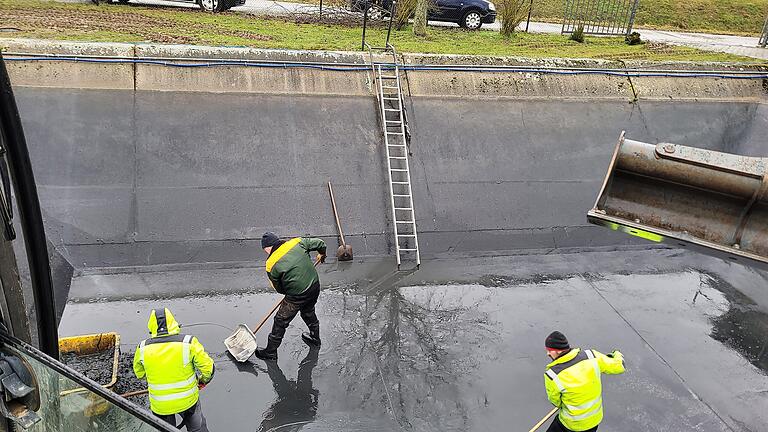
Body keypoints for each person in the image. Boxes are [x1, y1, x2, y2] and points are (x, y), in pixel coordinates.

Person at [133, 308, 215, 432]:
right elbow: (209, 369)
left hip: (160, 406)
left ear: (151, 326)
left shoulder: (142, 347)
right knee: (198, 429)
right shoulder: (188, 342)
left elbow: (139, 373)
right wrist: (202, 381)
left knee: (165, 429)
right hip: (188, 402)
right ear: (173, 322)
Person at [255, 232, 326, 361]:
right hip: (314, 286)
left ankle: (270, 352)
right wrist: (322, 254)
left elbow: (279, 288)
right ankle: (315, 338)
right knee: (308, 311)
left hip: (296, 295)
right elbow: (320, 243)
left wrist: (289, 292)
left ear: (267, 248)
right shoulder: (297, 242)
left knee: (280, 321)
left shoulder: (271, 264)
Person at [543, 331, 625, 432]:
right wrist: (616, 354)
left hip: (571, 424)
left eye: (549, 350)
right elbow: (619, 366)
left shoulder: (553, 375)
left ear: (558, 351)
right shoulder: (591, 356)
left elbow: (556, 402)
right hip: (593, 421)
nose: (547, 353)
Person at [257, 346, 320, 432]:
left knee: (302, 372)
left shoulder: (281, 423)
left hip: (298, 404)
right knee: (303, 371)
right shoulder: (283, 423)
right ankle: (314, 347)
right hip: (300, 403)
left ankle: (314, 348)